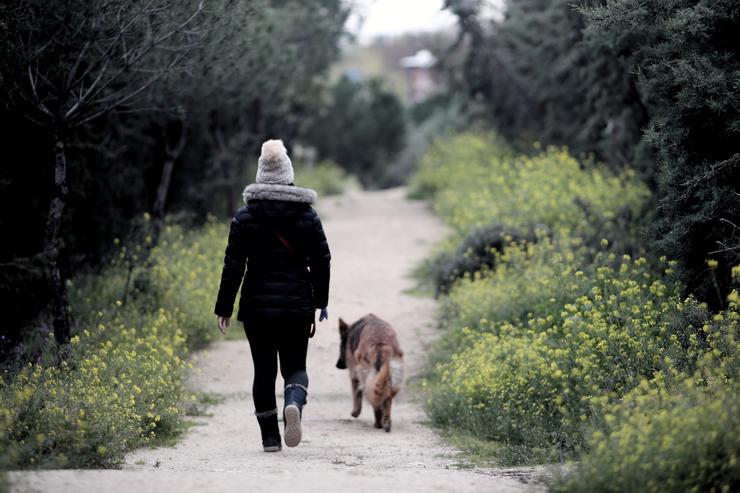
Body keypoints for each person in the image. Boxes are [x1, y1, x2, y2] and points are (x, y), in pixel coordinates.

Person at [214, 139, 331, 452]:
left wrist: (224, 306)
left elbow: (233, 265)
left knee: (263, 372)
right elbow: (322, 259)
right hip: (296, 307)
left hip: (257, 309)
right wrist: (320, 301)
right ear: (289, 174)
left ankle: (269, 439)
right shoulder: (307, 216)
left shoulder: (244, 218)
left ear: (260, 175)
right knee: (295, 368)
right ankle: (293, 402)